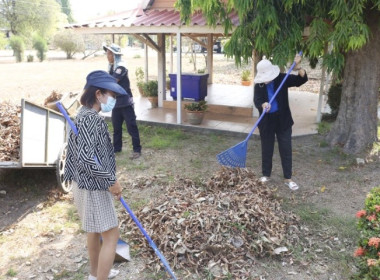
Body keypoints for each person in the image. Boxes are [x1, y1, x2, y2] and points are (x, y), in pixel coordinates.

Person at [64, 70, 125, 280]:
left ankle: (95, 273)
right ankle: (101, 277)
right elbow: (86, 158)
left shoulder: (82, 114)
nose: (113, 99)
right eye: (111, 94)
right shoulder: (91, 119)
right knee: (111, 234)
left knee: (94, 230)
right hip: (94, 186)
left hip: (83, 184)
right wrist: (111, 181)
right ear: (98, 94)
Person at [253, 53, 308, 191]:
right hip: (266, 121)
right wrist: (263, 105)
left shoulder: (282, 78)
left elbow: (301, 80)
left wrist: (298, 66)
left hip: (282, 119)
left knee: (285, 148)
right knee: (267, 148)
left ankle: (288, 178)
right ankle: (266, 174)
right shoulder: (258, 85)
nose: (265, 81)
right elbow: (257, 100)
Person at [103, 43, 142, 160]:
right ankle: (116, 148)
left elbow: (113, 81)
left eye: (109, 53)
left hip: (125, 102)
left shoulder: (121, 66)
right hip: (115, 102)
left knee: (131, 126)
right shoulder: (111, 66)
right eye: (107, 53)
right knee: (116, 128)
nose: (107, 55)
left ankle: (137, 150)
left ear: (115, 55)